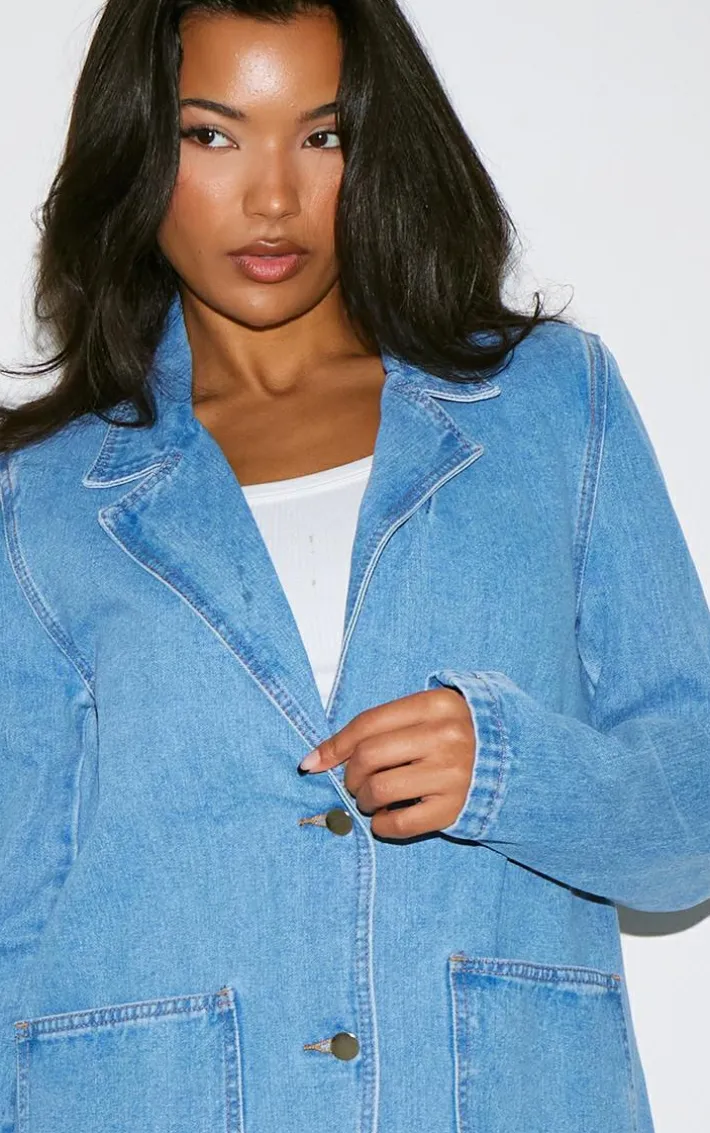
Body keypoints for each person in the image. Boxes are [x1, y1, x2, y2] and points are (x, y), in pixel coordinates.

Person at [1, 1, 709, 1131]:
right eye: (210, 134)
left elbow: (690, 820)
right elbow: (14, 905)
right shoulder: (41, 495)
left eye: (322, 135)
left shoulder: (550, 407)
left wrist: (510, 766)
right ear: (136, 149)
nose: (273, 199)